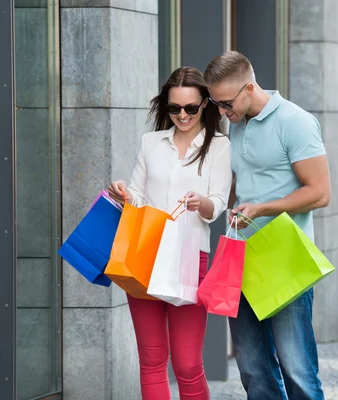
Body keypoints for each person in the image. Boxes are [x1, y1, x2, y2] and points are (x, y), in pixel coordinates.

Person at [203, 51, 331, 400]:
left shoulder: (295, 122)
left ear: (249, 87)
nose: (221, 111)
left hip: (285, 261)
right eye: (216, 103)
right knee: (252, 369)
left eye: (226, 102)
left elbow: (320, 193)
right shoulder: (237, 122)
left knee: (297, 369)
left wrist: (263, 209)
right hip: (240, 259)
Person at [107, 66, 232, 400]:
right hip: (145, 255)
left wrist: (202, 203)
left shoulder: (219, 145)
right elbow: (138, 195)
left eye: (191, 107)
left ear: (205, 104)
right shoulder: (151, 142)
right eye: (174, 107)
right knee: (151, 359)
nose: (182, 115)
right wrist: (124, 194)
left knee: (188, 363)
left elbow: (219, 203)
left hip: (190, 259)